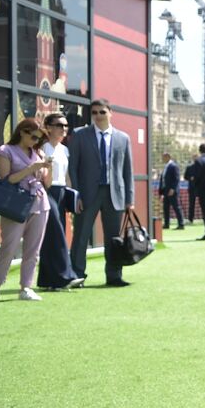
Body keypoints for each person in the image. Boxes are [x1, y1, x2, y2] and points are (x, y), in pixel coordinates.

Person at [68, 98, 134, 287]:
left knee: (113, 239)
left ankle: (114, 276)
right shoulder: (80, 135)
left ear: (110, 113)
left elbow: (127, 172)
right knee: (81, 235)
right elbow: (73, 168)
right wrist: (76, 194)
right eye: (94, 112)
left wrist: (130, 200)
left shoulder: (123, 138)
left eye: (102, 112)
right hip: (88, 194)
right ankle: (77, 275)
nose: (98, 116)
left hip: (115, 195)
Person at [0, 117, 52, 302]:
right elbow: (7, 179)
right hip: (15, 205)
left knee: (33, 250)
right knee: (8, 248)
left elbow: (46, 183)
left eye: (39, 139)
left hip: (40, 203)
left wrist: (48, 167)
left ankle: (26, 287)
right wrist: (31, 168)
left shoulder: (38, 152)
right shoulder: (5, 151)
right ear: (23, 132)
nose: (36, 142)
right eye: (33, 137)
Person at [37, 113, 83, 291]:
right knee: (56, 236)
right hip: (46, 192)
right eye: (59, 125)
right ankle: (66, 276)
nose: (63, 129)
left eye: (65, 126)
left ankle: (49, 280)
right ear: (48, 127)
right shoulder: (42, 148)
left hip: (62, 193)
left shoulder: (64, 149)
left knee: (54, 235)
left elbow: (66, 176)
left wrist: (74, 196)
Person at [160, 152, 185, 230]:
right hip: (165, 190)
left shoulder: (173, 166)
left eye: (163, 157)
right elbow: (163, 179)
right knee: (165, 207)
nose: (162, 159)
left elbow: (176, 178)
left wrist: (173, 189)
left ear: (168, 157)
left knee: (176, 207)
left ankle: (181, 224)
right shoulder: (166, 166)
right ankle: (166, 224)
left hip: (172, 191)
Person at [184, 155, 200, 221]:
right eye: (194, 157)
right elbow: (185, 176)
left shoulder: (201, 167)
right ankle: (190, 218)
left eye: (196, 157)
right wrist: (190, 178)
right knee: (191, 204)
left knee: (204, 204)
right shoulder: (189, 167)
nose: (195, 158)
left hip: (200, 188)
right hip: (192, 188)